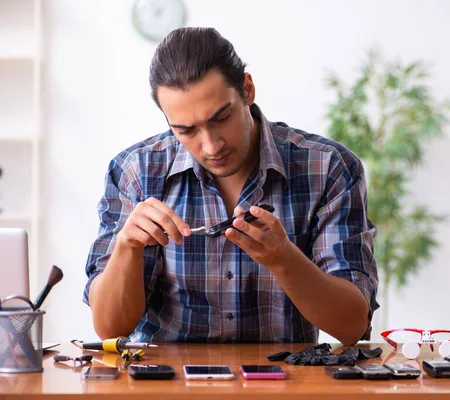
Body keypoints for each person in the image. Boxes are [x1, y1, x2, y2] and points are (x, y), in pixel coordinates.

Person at [84, 27, 379, 345]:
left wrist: (284, 259)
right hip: (164, 384)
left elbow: (351, 326)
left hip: (283, 386)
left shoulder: (328, 168)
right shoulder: (136, 172)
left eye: (220, 118)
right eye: (186, 130)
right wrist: (128, 246)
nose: (210, 146)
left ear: (247, 90)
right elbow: (109, 329)